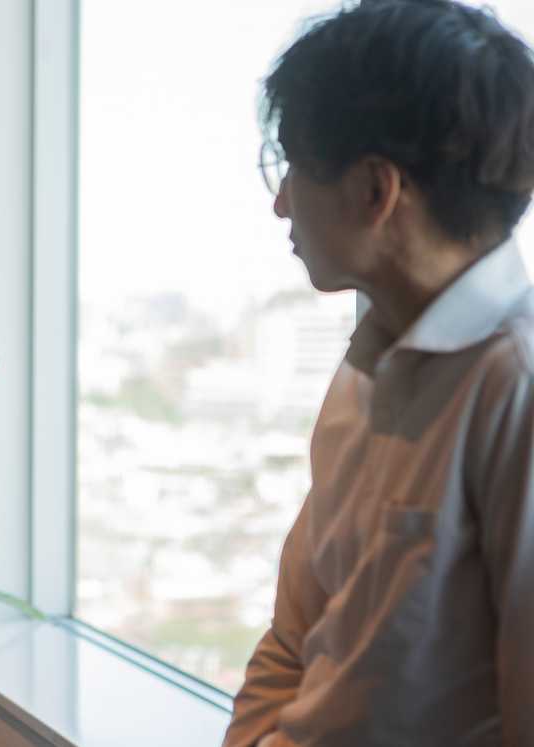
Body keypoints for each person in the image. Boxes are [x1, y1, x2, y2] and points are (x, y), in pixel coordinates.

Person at [224, 2, 534, 745]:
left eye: (291, 167)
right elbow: (295, 636)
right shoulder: (362, 374)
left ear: (374, 190)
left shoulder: (514, 388)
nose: (278, 203)